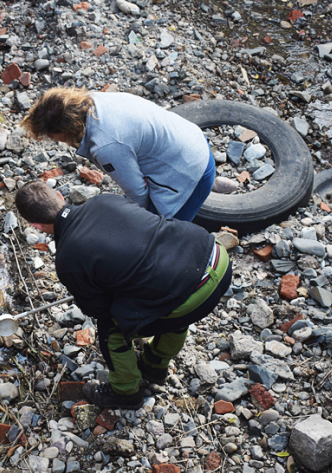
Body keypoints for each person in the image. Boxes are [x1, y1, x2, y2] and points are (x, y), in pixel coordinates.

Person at [14, 181, 232, 410]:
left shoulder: (68, 259)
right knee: (167, 296)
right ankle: (154, 366)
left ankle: (125, 392)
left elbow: (99, 310)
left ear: (37, 226)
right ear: (59, 195)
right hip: (215, 255)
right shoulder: (104, 199)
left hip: (194, 294)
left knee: (112, 330)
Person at [21, 88, 216, 221]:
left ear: (65, 129)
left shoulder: (106, 146)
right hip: (192, 139)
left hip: (192, 171)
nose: (53, 139)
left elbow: (138, 194)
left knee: (163, 237)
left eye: (51, 136)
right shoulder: (91, 101)